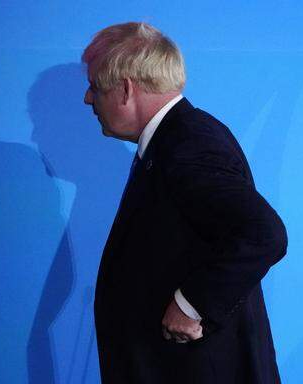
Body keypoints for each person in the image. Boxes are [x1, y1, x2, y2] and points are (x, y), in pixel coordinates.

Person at [83, 22, 288, 383]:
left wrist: (192, 303)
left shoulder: (188, 144)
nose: (88, 99)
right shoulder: (178, 138)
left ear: (126, 89)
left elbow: (263, 232)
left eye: (96, 86)